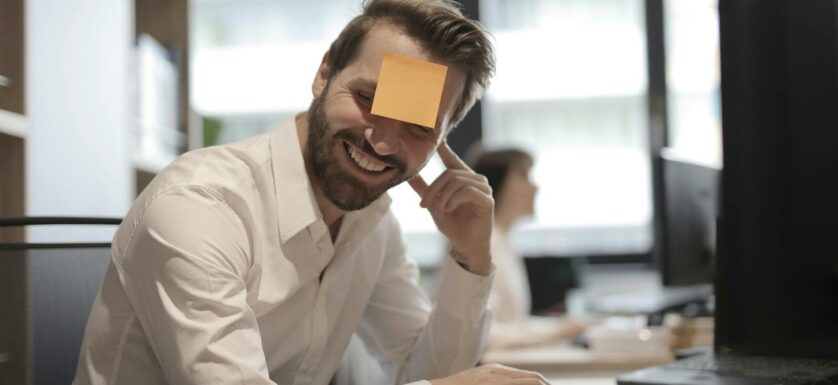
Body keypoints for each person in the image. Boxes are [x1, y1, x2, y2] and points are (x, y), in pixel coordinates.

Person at [73, 1, 550, 385]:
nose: (382, 142)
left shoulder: (373, 223)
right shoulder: (201, 206)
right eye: (367, 100)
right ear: (324, 74)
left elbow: (433, 375)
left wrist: (471, 257)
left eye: (418, 126)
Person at [469, 147, 587, 350]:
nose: (535, 188)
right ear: (495, 183)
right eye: (524, 176)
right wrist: (559, 330)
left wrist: (563, 325)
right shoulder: (483, 244)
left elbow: (513, 323)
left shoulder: (501, 241)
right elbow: (485, 334)